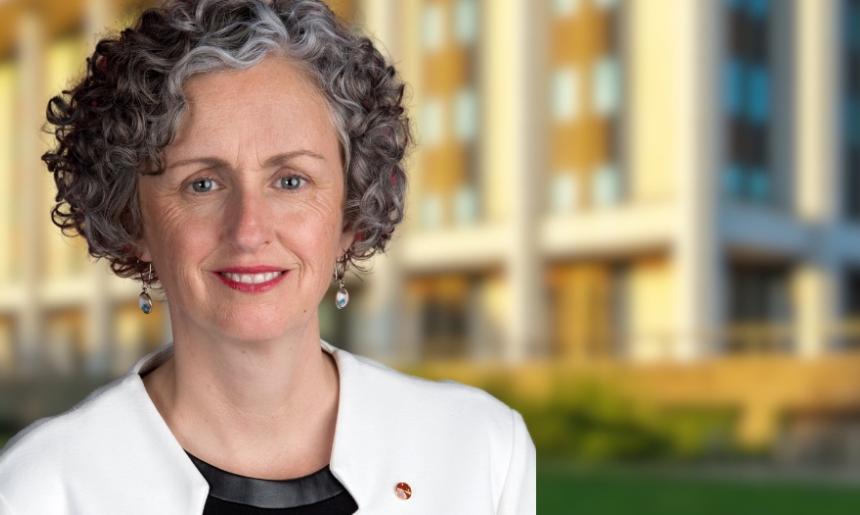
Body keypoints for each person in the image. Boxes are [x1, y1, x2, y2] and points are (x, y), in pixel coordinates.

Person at [0, 0, 536, 513]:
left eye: (290, 180)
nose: (249, 229)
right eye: (202, 183)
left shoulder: (481, 451)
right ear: (130, 219)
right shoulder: (40, 489)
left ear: (351, 213)